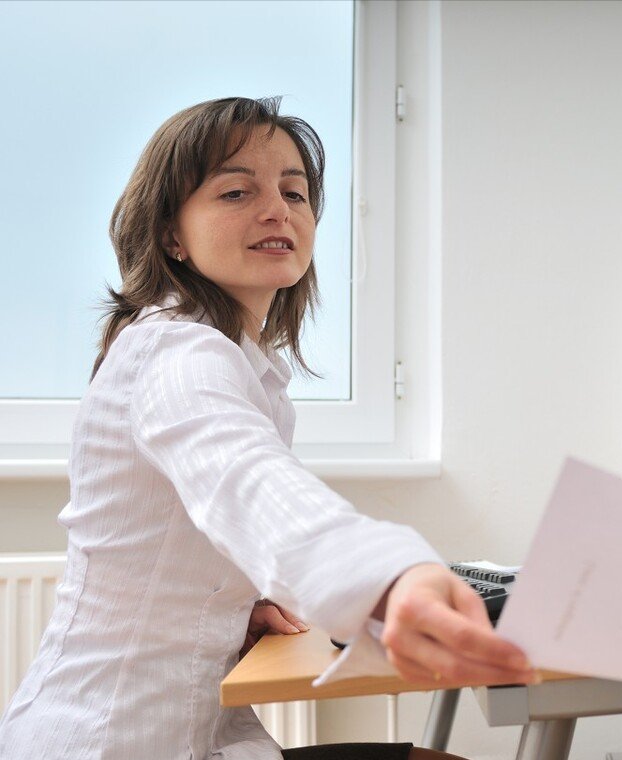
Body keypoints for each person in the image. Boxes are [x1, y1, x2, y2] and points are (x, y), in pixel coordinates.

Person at [0, 97, 535, 759]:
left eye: (295, 192)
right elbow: (243, 476)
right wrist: (394, 578)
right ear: (172, 234)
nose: (279, 209)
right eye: (236, 190)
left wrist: (228, 607)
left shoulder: (233, 362)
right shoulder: (176, 353)